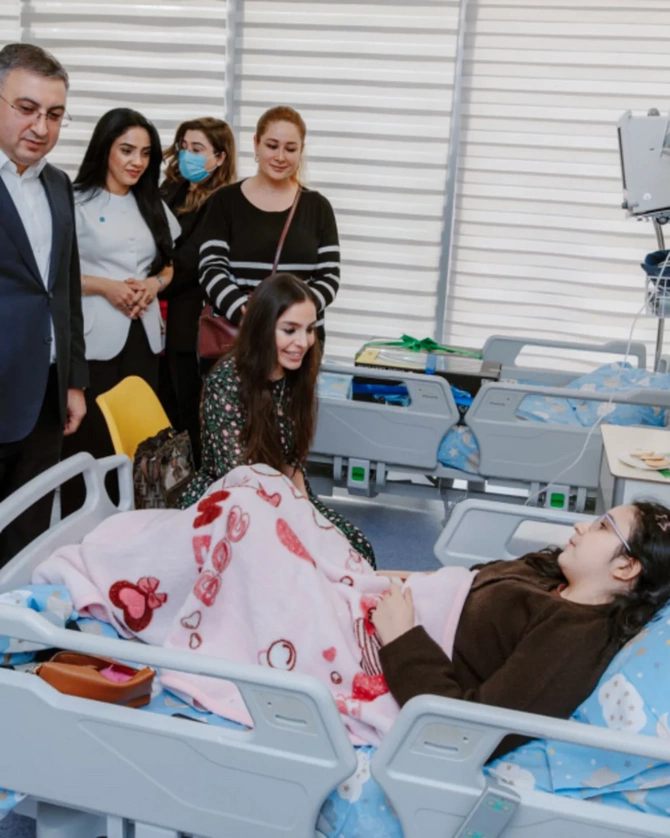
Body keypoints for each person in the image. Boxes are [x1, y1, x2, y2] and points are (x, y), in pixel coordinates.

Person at [372, 502, 670, 755]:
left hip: (390, 643)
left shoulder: (572, 641)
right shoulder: (550, 572)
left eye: (602, 527)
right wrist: (376, 579)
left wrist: (401, 638)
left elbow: (468, 732)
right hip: (386, 601)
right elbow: (462, 581)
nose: (580, 527)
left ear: (626, 567)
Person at [177, 272, 376, 566]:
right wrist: (298, 527)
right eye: (290, 330)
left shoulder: (296, 375)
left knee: (355, 549)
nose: (303, 342)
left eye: (309, 329)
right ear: (262, 327)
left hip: (283, 493)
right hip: (231, 502)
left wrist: (308, 516)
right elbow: (238, 478)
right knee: (302, 562)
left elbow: (292, 462)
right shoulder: (226, 382)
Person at [60, 107, 181, 512]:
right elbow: (54, 276)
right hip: (94, 340)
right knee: (91, 443)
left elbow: (168, 265)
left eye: (145, 154)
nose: (137, 162)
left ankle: (133, 527)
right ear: (104, 148)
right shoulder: (73, 200)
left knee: (139, 442)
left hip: (142, 337)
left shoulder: (152, 203)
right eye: (127, 150)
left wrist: (153, 285)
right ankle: (84, 526)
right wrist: (105, 287)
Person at [0, 43, 88, 563]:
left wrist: (73, 379)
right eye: (27, 108)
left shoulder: (57, 184)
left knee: (27, 540)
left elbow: (65, 287)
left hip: (45, 397)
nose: (41, 127)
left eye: (54, 115)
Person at [196, 105, 340, 344]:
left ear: (301, 151)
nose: (280, 157)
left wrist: (292, 317)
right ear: (256, 144)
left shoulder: (318, 207)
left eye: (290, 149)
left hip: (300, 343)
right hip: (239, 337)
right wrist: (247, 314)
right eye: (272, 146)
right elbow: (211, 268)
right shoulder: (224, 201)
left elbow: (329, 277)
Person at [158, 117, 237, 468]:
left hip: (187, 322)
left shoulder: (223, 202)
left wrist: (152, 277)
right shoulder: (170, 188)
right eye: (184, 147)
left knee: (188, 414)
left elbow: (191, 261)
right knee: (159, 411)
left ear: (219, 158)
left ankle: (194, 485)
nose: (187, 155)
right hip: (152, 314)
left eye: (198, 149)